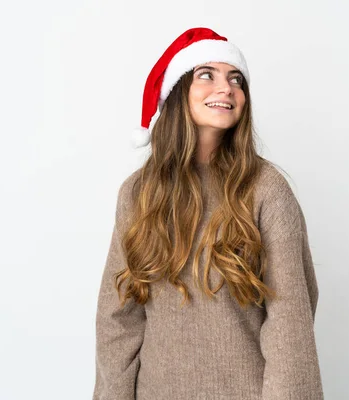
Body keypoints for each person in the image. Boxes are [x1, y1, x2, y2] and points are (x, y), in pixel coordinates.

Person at [93, 27, 324, 400]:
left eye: (236, 79)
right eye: (207, 75)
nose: (227, 88)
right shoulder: (138, 193)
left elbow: (290, 324)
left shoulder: (266, 189)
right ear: (177, 90)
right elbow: (118, 320)